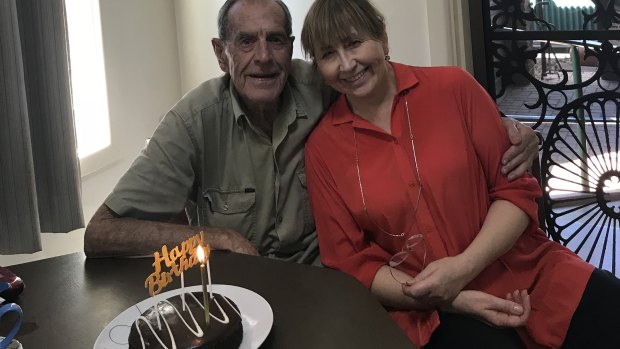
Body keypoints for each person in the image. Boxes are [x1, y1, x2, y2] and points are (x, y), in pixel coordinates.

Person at [84, 0, 538, 266]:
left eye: (276, 39)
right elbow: (101, 233)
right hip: (243, 294)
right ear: (221, 54)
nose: (264, 56)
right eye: (246, 42)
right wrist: (215, 239)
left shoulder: (322, 83)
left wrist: (511, 130)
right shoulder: (192, 122)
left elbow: (401, 91)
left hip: (335, 284)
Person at [300, 0, 620, 348]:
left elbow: (515, 192)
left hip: (529, 272)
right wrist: (448, 298)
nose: (347, 64)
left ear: (382, 38)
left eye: (354, 42)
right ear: (318, 67)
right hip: (433, 312)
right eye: (329, 54)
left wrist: (463, 268)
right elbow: (353, 262)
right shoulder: (323, 150)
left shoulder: (454, 89)